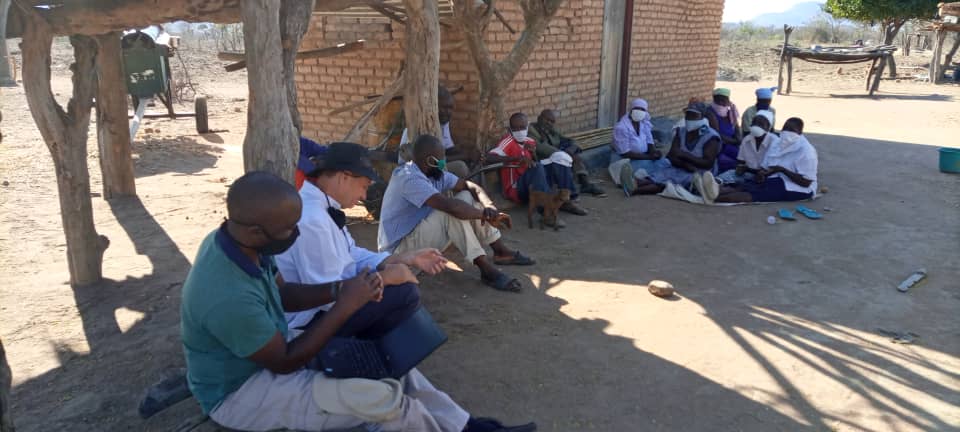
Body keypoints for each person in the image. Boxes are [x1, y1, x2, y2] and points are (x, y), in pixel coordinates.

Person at [181, 171, 536, 432]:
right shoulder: (225, 293)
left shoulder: (243, 241)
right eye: (289, 229)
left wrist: (340, 291)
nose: (297, 233)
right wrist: (346, 304)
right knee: (387, 403)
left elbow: (285, 293)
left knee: (393, 366)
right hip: (244, 392)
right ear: (257, 231)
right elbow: (284, 363)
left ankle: (470, 428)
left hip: (273, 354)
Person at [277, 142, 449, 334]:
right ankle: (343, 352)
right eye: (364, 186)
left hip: (330, 304)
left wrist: (406, 258)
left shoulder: (323, 207)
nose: (364, 195)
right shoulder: (312, 218)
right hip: (310, 320)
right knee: (403, 293)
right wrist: (384, 278)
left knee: (400, 286)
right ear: (344, 178)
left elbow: (350, 253)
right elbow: (327, 297)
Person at [378, 134, 536, 293]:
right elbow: (450, 207)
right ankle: (485, 269)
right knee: (449, 213)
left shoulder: (434, 173)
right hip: (398, 254)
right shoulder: (409, 178)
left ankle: (500, 251)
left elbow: (470, 186)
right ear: (429, 161)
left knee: (466, 197)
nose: (444, 162)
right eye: (440, 159)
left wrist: (489, 206)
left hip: (416, 237)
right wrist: (484, 215)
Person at [486, 112, 588, 217]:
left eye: (522, 127)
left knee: (560, 158)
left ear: (527, 126)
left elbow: (535, 160)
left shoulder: (529, 141)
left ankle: (567, 200)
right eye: (515, 128)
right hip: (516, 189)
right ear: (510, 129)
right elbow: (488, 158)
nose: (519, 131)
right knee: (537, 167)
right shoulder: (507, 141)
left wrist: (533, 153)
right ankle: (545, 210)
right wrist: (515, 158)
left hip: (532, 184)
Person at [716, 118, 818, 203]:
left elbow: (806, 182)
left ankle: (714, 198)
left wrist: (782, 170)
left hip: (796, 187)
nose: (787, 132)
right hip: (775, 179)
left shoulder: (807, 151)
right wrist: (762, 174)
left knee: (754, 193)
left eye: (792, 130)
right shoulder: (778, 143)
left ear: (800, 133)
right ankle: (713, 191)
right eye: (785, 128)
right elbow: (766, 167)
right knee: (746, 185)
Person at [625, 107, 721, 196]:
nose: (689, 119)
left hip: (699, 171)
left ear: (703, 118)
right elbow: (671, 156)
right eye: (687, 115)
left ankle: (634, 190)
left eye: (693, 116)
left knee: (670, 182)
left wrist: (683, 155)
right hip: (681, 165)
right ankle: (633, 183)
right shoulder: (681, 132)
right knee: (661, 174)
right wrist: (684, 164)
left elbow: (708, 164)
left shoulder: (711, 137)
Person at [397, 86, 471, 179]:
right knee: (461, 168)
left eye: (450, 108)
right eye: (444, 108)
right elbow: (434, 162)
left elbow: (447, 150)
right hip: (414, 172)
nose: (448, 112)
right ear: (433, 106)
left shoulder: (443, 122)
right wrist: (463, 156)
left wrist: (467, 153)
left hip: (432, 166)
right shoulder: (421, 126)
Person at [529, 109, 606, 197]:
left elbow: (568, 140)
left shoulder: (551, 129)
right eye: (546, 120)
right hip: (542, 159)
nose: (549, 123)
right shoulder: (532, 130)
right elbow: (540, 148)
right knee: (566, 158)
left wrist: (572, 147)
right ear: (539, 118)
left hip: (557, 156)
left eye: (552, 121)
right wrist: (563, 154)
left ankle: (585, 183)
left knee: (574, 156)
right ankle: (570, 193)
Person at [609, 98, 667, 186]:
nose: (639, 111)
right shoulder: (621, 127)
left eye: (642, 109)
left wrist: (654, 153)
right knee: (651, 166)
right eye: (636, 109)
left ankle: (647, 179)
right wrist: (649, 157)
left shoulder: (644, 124)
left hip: (643, 157)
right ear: (631, 110)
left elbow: (649, 142)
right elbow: (625, 153)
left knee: (665, 162)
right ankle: (635, 181)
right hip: (625, 161)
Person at [716, 110, 776, 185]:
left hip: (765, 177)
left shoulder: (774, 142)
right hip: (747, 174)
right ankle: (713, 184)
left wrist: (747, 169)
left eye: (760, 124)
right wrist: (739, 168)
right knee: (724, 176)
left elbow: (767, 170)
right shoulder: (747, 139)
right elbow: (740, 161)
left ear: (768, 128)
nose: (756, 126)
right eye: (754, 123)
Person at [705, 88, 741, 173]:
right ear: (714, 99)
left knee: (743, 158)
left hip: (732, 144)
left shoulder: (730, 112)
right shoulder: (710, 113)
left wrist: (738, 138)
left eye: (724, 100)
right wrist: (734, 141)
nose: (722, 103)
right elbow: (716, 133)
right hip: (719, 146)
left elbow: (736, 126)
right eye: (719, 100)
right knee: (730, 163)